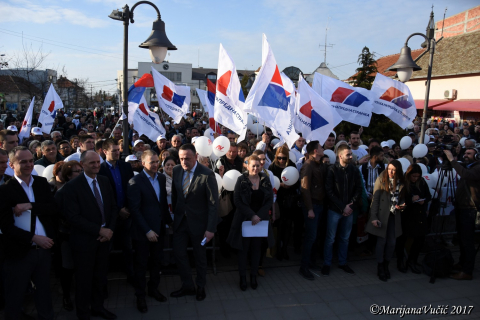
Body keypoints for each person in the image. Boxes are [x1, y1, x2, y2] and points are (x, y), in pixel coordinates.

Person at [0, 146, 58, 320]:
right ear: (11, 164)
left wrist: (30, 205)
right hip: (19, 252)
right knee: (15, 295)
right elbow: (6, 227)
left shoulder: (40, 183)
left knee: (44, 293)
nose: (28, 165)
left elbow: (53, 208)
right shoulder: (5, 190)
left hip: (44, 250)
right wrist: (34, 238)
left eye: (31, 161)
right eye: (22, 161)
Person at [62, 150, 118, 320]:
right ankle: (83, 313)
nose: (96, 165)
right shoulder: (72, 187)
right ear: (82, 164)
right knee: (84, 279)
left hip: (104, 238)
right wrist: (98, 230)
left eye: (97, 162)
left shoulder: (104, 180)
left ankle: (98, 307)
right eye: (92, 163)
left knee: (100, 277)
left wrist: (109, 230)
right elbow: (73, 217)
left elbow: (113, 208)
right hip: (84, 241)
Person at [170, 144, 218, 302]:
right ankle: (187, 285)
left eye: (187, 159)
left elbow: (213, 204)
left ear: (196, 156)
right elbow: (177, 196)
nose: (184, 162)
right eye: (181, 158)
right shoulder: (177, 170)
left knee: (200, 257)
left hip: (200, 225)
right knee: (179, 254)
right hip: (180, 223)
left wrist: (210, 229)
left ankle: (200, 286)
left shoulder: (207, 174)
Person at [128, 150, 172, 313]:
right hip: (143, 232)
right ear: (142, 162)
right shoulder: (135, 181)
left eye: (156, 162)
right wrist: (147, 230)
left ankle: (153, 289)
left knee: (156, 262)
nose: (155, 165)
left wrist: (169, 223)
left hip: (159, 229)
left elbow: (161, 204)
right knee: (141, 265)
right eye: (151, 162)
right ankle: (140, 295)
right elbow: (135, 209)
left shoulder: (161, 178)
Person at [227, 155, 274, 291]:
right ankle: (242, 278)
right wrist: (252, 215)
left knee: (256, 250)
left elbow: (269, 200)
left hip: (260, 221)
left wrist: (258, 216)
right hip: (244, 220)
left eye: (258, 165)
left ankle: (253, 276)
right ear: (247, 166)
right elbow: (237, 201)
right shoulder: (241, 180)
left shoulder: (265, 180)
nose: (255, 168)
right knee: (243, 250)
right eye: (252, 165)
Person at [98, 139, 135, 285]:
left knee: (128, 247)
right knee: (106, 250)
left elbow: (131, 189)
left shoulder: (126, 167)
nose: (117, 153)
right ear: (105, 151)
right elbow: (103, 194)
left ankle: (131, 275)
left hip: (126, 215)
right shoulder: (100, 169)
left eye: (118, 150)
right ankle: (103, 281)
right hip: (109, 217)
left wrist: (127, 208)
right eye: (114, 150)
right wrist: (118, 210)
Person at [323, 144, 362, 276]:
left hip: (349, 210)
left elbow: (358, 188)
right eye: (348, 155)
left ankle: (342, 262)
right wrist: (342, 206)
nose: (351, 157)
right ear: (340, 156)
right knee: (330, 238)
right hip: (335, 210)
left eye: (351, 154)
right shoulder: (332, 170)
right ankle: (327, 264)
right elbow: (329, 191)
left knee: (345, 238)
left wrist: (351, 205)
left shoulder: (354, 170)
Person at [366, 160, 405, 282]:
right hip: (382, 215)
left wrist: (402, 206)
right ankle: (380, 266)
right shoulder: (381, 179)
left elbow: (403, 199)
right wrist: (374, 217)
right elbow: (375, 200)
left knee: (392, 242)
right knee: (381, 242)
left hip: (394, 215)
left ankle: (386, 265)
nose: (391, 172)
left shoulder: (402, 182)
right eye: (389, 169)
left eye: (393, 170)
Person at [443, 148, 480, 280]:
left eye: (469, 153)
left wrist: (452, 160)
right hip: (462, 207)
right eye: (464, 153)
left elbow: (466, 175)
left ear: (477, 155)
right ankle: (462, 263)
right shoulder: (469, 166)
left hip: (470, 209)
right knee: (462, 240)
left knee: (468, 241)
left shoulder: (477, 168)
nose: (465, 155)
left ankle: (467, 270)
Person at [54, 160, 83, 312]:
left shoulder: (85, 190)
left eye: (81, 170)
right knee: (68, 268)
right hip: (67, 237)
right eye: (76, 172)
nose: (80, 174)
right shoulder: (62, 193)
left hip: (84, 236)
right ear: (67, 175)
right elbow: (59, 216)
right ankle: (66, 296)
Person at [396, 164, 431, 274]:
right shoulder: (404, 184)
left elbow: (428, 195)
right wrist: (411, 199)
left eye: (417, 176)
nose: (415, 179)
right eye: (413, 176)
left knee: (419, 239)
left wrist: (423, 201)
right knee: (403, 239)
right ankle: (400, 261)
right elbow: (399, 200)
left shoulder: (422, 183)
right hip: (407, 215)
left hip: (420, 215)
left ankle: (412, 260)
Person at [299, 141, 326, 280]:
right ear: (315, 151)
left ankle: (312, 262)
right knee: (310, 237)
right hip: (312, 206)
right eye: (321, 147)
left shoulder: (319, 164)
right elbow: (305, 188)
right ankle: (304, 267)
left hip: (319, 205)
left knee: (315, 237)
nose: (323, 149)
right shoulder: (308, 165)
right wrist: (309, 208)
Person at [268, 146, 299, 261]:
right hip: (278, 200)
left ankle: (285, 249)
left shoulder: (292, 166)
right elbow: (271, 183)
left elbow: (297, 181)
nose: (281, 160)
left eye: (284, 158)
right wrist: (280, 185)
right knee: (279, 226)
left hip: (290, 200)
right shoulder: (273, 166)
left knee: (288, 226)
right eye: (279, 158)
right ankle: (278, 250)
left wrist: (291, 184)